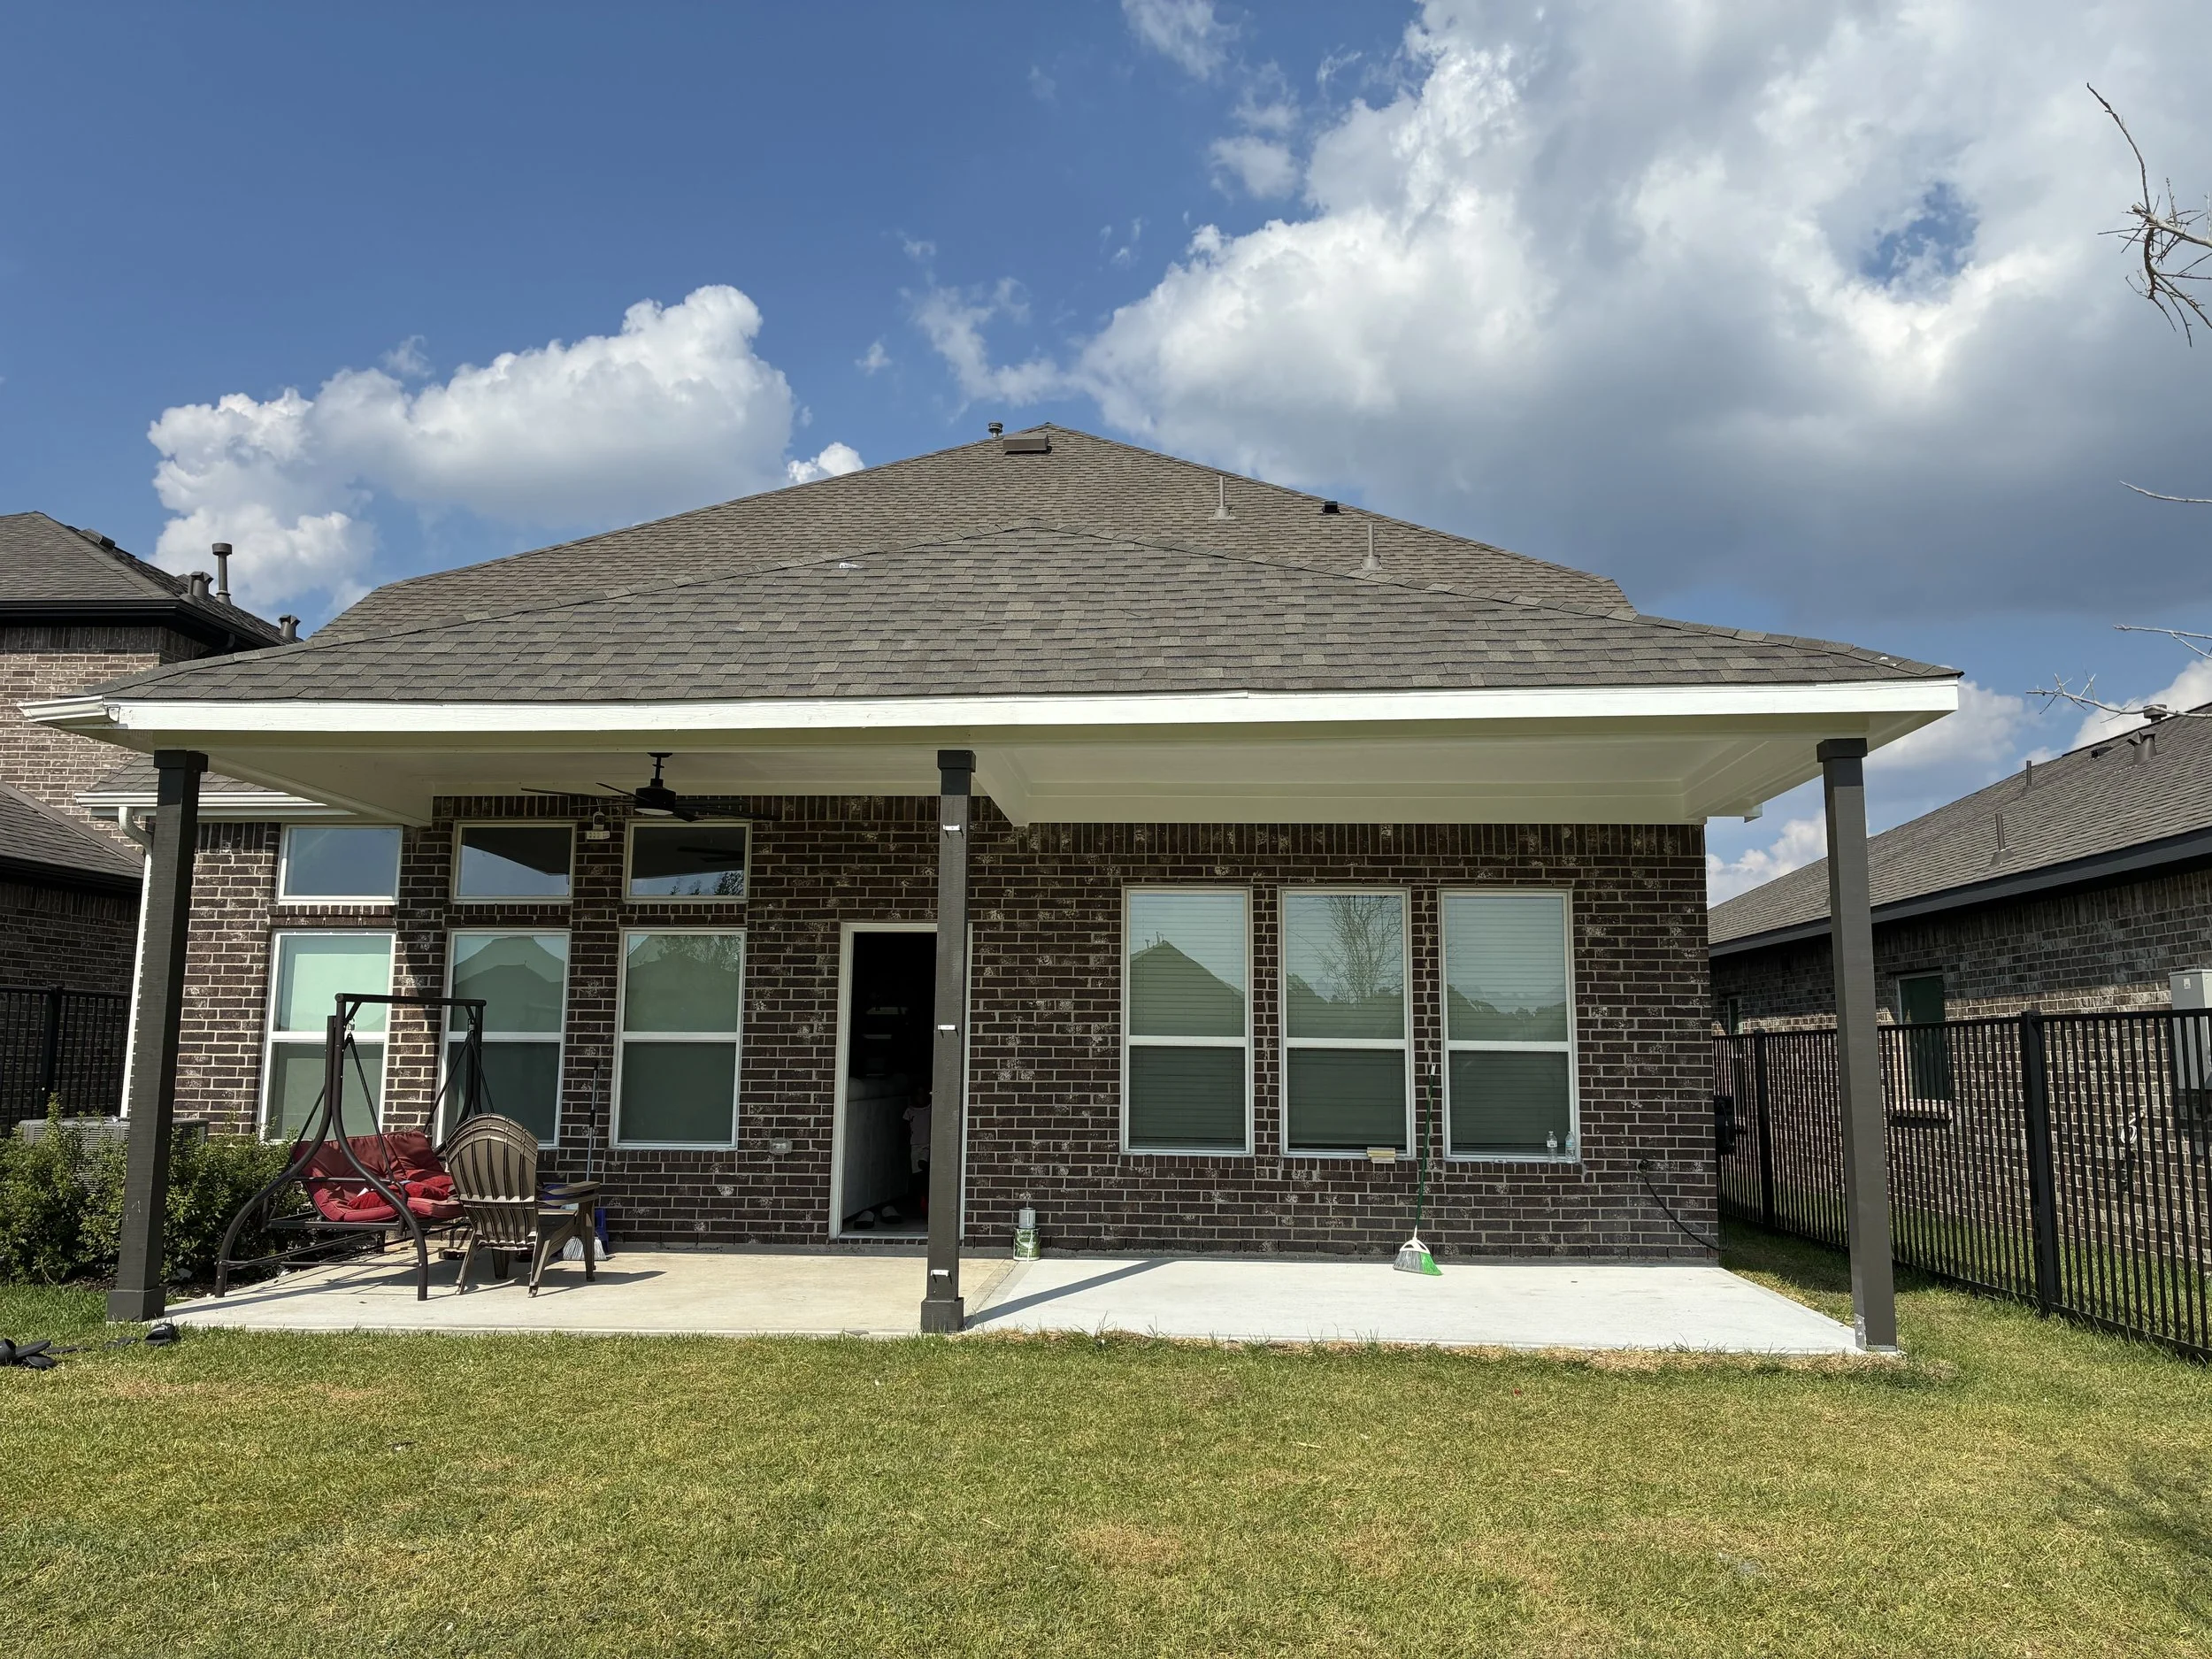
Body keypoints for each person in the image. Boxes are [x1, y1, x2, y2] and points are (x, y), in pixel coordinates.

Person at [903, 1087, 931, 1217]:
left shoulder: (931, 1108)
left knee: (924, 1167)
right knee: (918, 1177)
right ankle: (923, 1202)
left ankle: (926, 1201)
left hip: (929, 1144)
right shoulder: (910, 1111)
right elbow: (904, 1129)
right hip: (915, 1145)